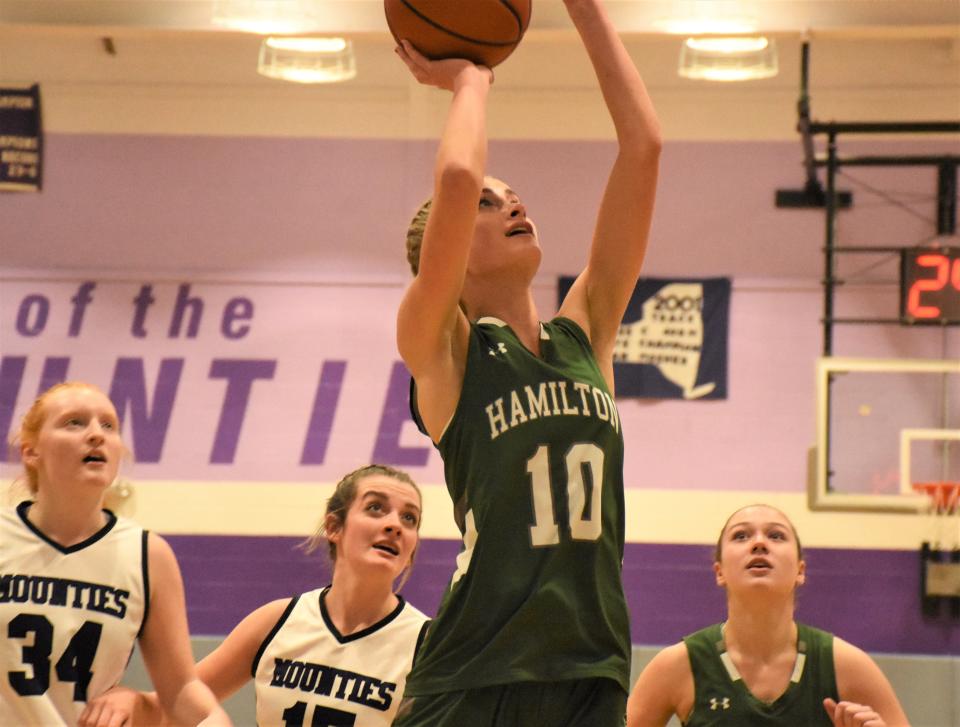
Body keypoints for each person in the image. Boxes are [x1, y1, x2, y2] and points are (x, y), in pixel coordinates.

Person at [393, 0, 661, 723]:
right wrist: (470, 80)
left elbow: (644, 147)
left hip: (593, 664)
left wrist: (588, 13)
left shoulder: (587, 333)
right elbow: (454, 179)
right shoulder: (444, 349)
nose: (513, 205)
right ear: (444, 255)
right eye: (491, 202)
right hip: (478, 670)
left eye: (514, 197)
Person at [83, 464, 430, 727]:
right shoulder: (277, 622)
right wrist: (128, 700)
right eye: (375, 508)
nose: (395, 524)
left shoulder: (429, 643)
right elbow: (174, 705)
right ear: (334, 527)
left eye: (409, 518)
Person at [0, 381, 231, 727]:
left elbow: (181, 690)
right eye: (74, 422)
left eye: (108, 425)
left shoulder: (146, 554)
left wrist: (212, 719)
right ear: (31, 451)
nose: (96, 434)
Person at [625, 504, 911, 727]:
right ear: (719, 571)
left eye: (776, 535)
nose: (759, 543)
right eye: (741, 536)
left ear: (800, 570)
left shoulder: (847, 666)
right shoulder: (678, 665)